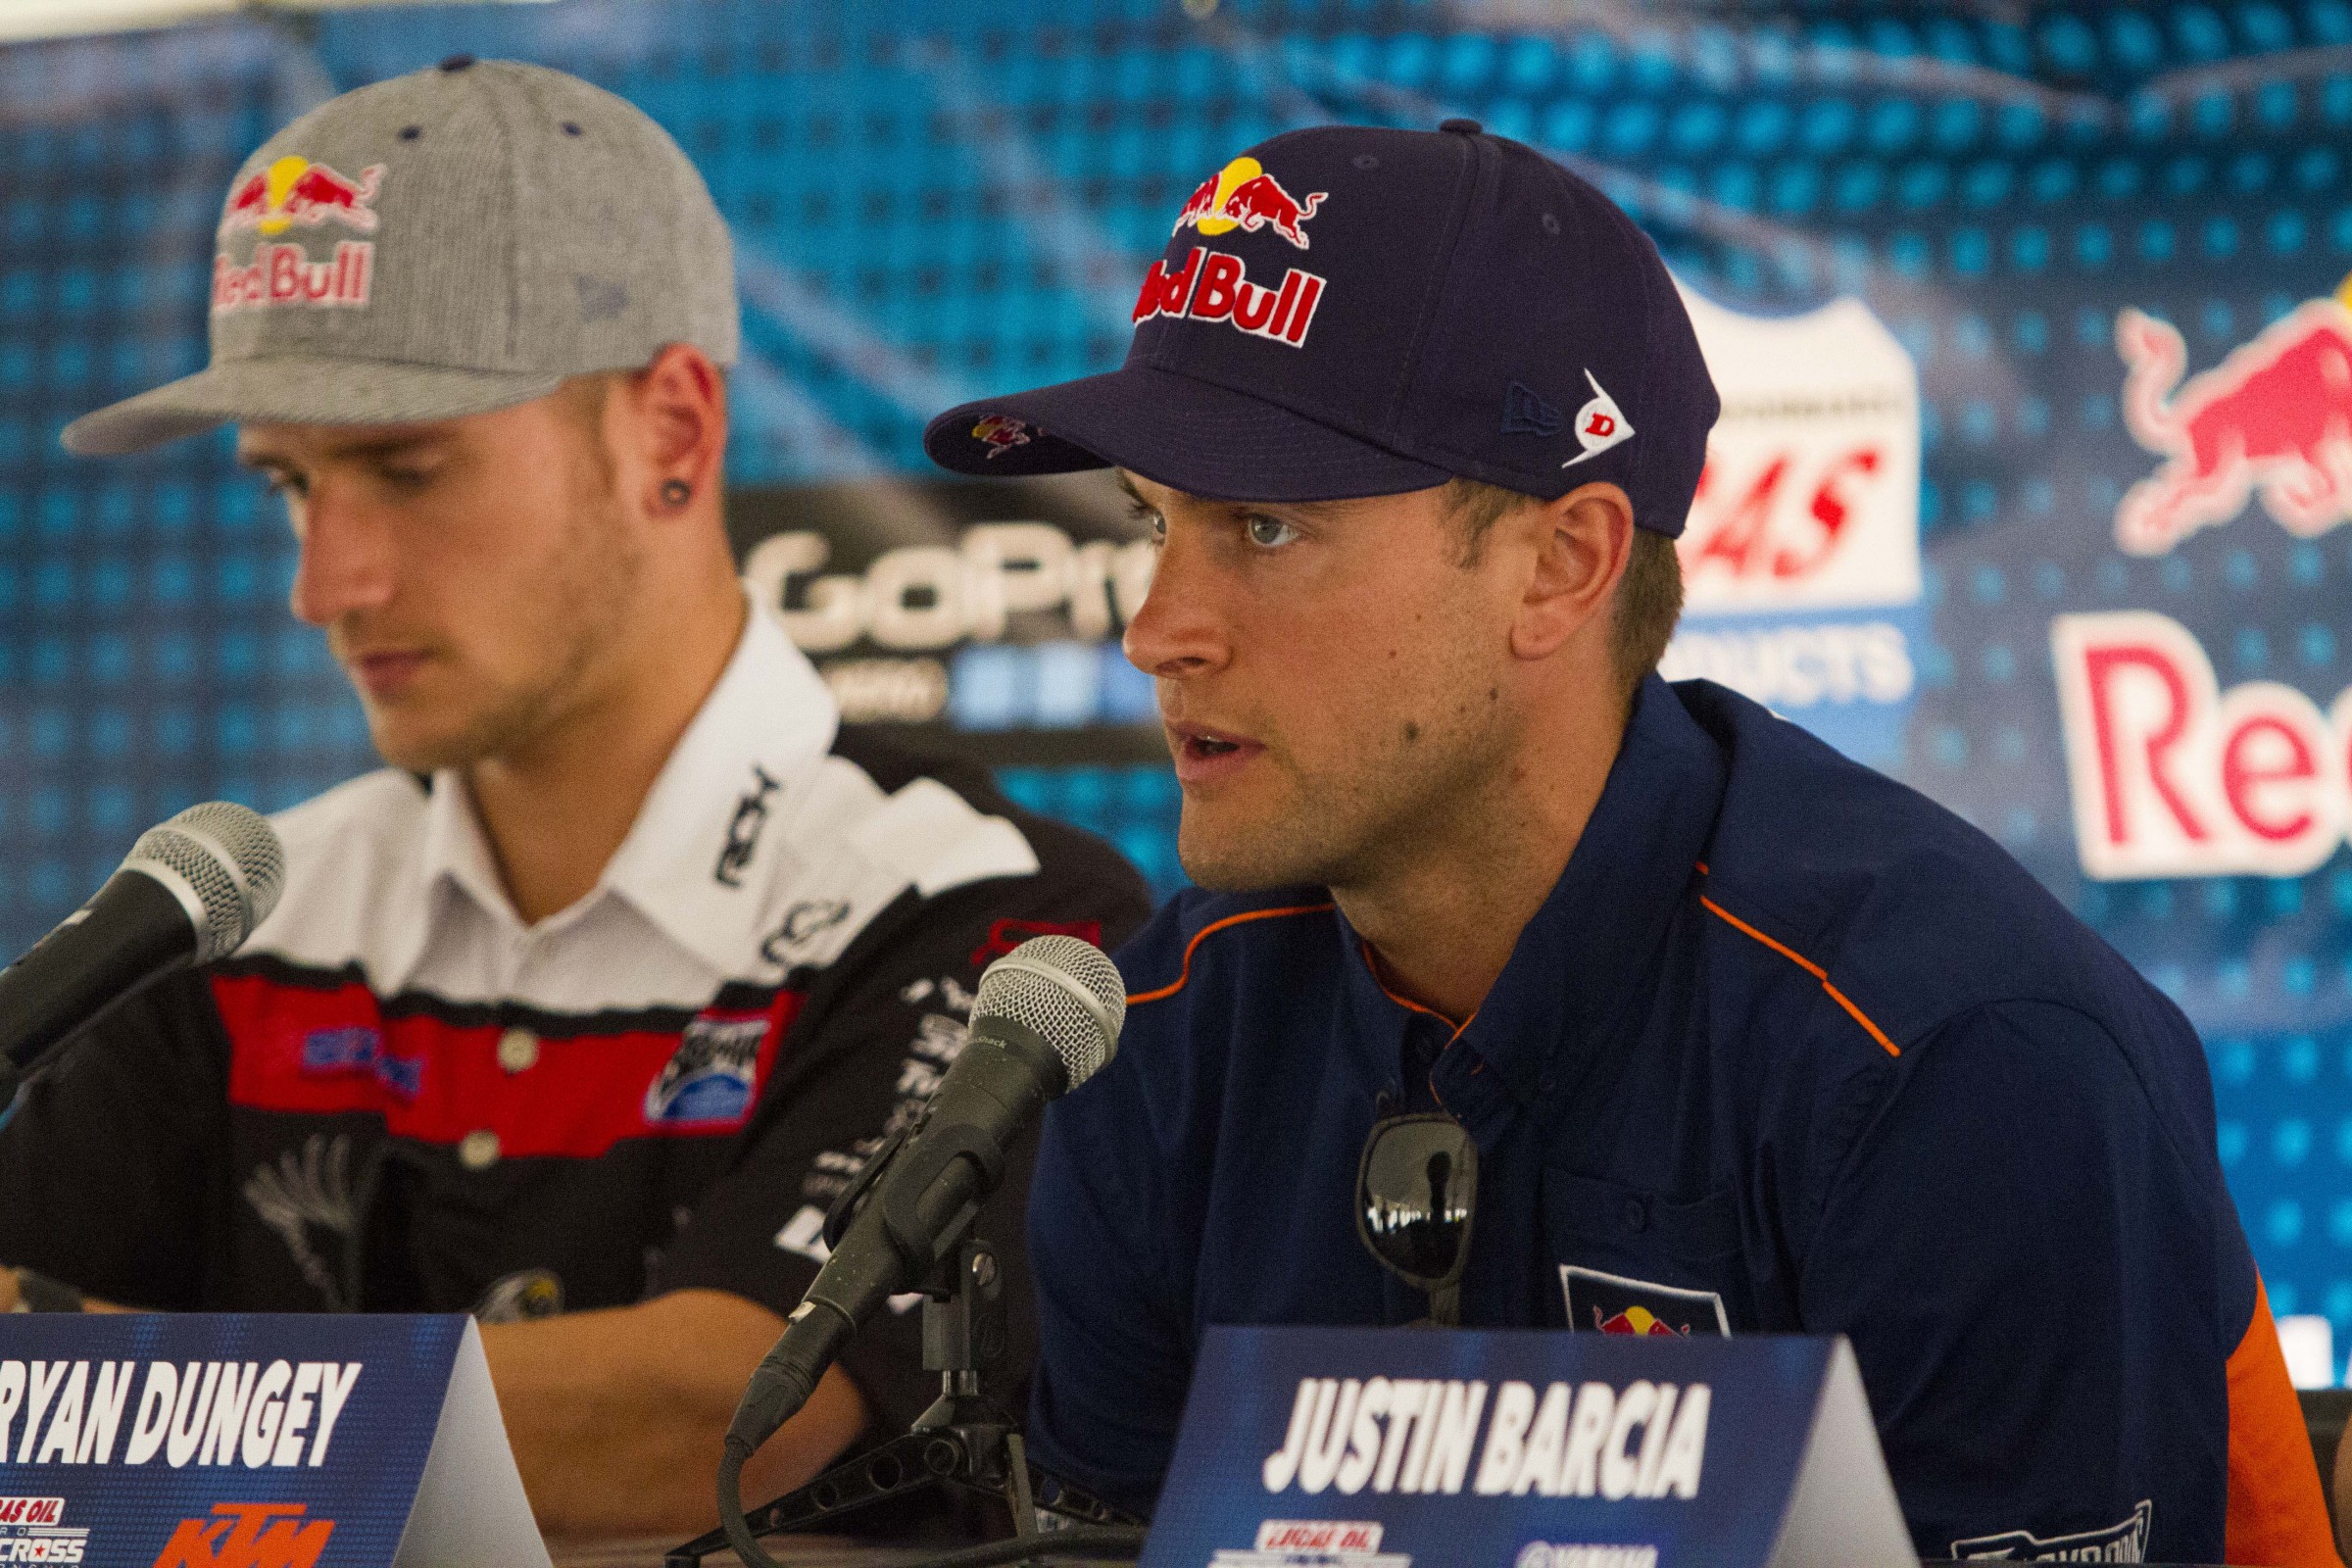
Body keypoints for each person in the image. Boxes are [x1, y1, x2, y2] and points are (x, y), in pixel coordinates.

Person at [922, 121, 2337, 1565]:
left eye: (1266, 530)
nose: (1157, 630)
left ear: (1563, 565)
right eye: (1154, 523)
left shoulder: (1956, 1058)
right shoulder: (1157, 1044)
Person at [0, 58, 1150, 1540]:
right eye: (291, 486)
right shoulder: (247, 921)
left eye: (406, 470)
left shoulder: (991, 911)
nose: (325, 584)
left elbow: (733, 1416)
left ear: (670, 429)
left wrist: (101, 1391)